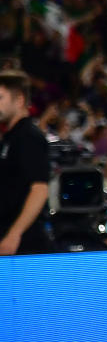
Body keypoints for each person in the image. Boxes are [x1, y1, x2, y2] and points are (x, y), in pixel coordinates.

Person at [0, 70, 53, 255]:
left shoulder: (29, 136)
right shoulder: (9, 138)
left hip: (25, 244)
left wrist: (15, 234)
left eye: (1, 98)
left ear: (20, 100)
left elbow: (39, 189)